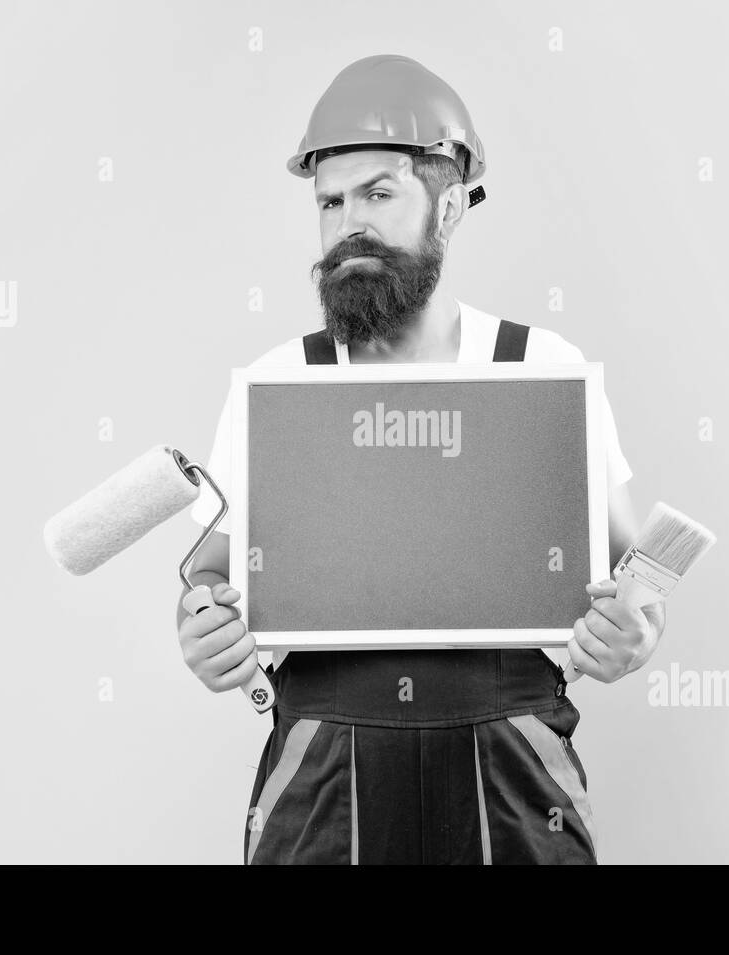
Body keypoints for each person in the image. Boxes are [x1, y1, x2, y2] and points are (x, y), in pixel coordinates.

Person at [177, 54, 666, 864]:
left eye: (378, 194)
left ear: (450, 204)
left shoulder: (541, 368)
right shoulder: (280, 383)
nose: (349, 225)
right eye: (330, 201)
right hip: (323, 764)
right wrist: (200, 627)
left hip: (513, 762)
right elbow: (205, 574)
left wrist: (637, 631)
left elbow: (637, 572)